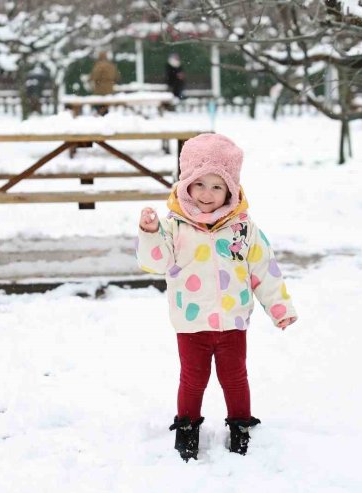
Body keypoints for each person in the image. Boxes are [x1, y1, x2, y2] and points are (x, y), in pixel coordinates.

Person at [136, 134, 297, 461]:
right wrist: (150, 233)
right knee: (193, 378)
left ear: (231, 189)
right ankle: (187, 425)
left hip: (232, 321)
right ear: (186, 185)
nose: (207, 194)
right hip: (191, 322)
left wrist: (279, 308)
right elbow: (154, 262)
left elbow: (263, 268)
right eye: (199, 185)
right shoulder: (174, 227)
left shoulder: (242, 228)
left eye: (216, 186)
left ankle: (240, 424)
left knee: (235, 377)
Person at [89, 51, 120, 115]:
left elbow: (94, 77)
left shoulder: (98, 65)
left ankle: (101, 112)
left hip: (99, 90)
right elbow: (117, 77)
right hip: (110, 90)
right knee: (106, 103)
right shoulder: (111, 65)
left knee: (99, 103)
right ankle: (105, 112)